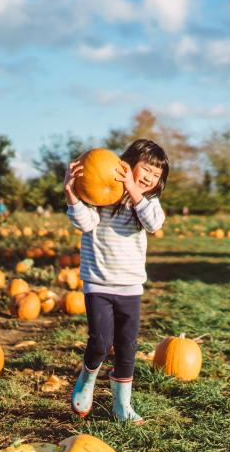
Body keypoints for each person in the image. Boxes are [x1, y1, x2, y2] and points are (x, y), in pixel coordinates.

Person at [65, 139, 168, 423]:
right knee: (100, 341)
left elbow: (154, 223)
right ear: (127, 164)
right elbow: (85, 223)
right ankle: (87, 379)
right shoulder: (102, 198)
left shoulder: (147, 204)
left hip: (130, 287)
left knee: (126, 346)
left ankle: (122, 405)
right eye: (145, 169)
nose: (149, 177)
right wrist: (72, 194)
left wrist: (134, 191)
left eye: (156, 174)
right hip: (98, 283)